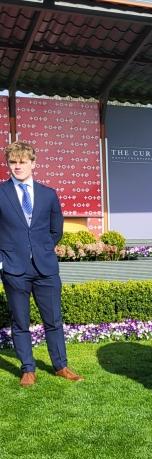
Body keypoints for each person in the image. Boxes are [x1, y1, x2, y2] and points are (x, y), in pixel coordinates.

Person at [0, 141, 83, 386]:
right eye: (13, 162)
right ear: (8, 164)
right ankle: (28, 369)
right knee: (20, 322)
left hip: (46, 268)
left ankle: (61, 366)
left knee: (54, 320)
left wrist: (44, 248)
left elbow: (56, 228)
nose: (18, 167)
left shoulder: (48, 194)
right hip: (14, 268)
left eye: (23, 162)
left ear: (33, 163)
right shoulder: (1, 193)